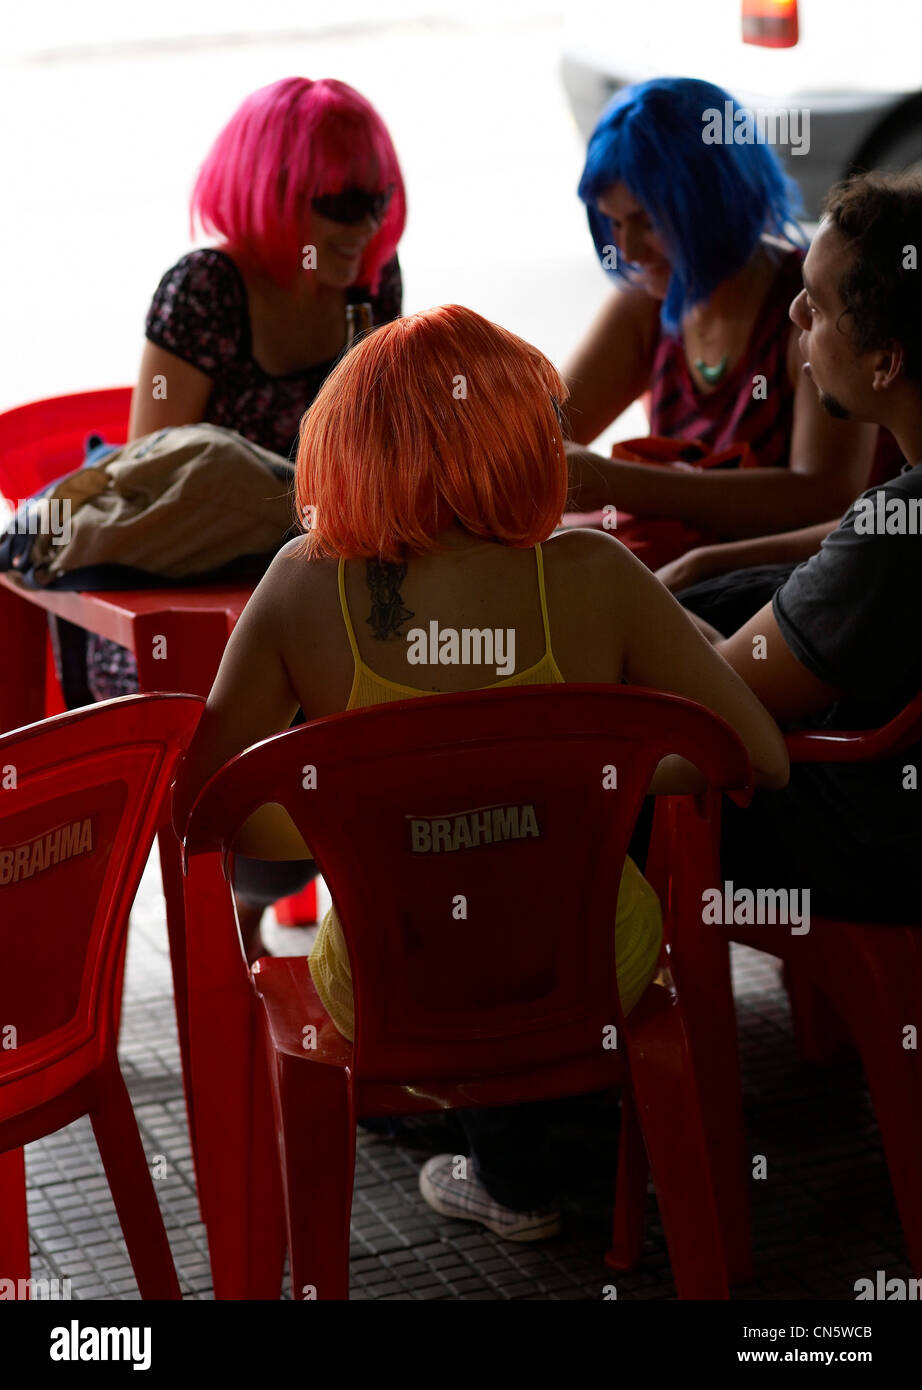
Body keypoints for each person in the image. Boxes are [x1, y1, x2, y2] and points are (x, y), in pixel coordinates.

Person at [172, 303, 789, 1239]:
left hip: (388, 984)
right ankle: (558, 1140)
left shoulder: (301, 583)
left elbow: (205, 811)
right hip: (597, 965)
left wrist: (382, 820)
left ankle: (494, 1153)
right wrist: (581, 784)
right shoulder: (595, 571)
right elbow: (761, 756)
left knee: (387, 993)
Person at [83, 75, 406, 702]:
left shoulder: (370, 281)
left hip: (317, 585)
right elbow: (154, 485)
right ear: (274, 190)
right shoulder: (206, 290)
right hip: (195, 602)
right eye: (341, 204)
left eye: (379, 200)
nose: (365, 227)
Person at [702, 170, 922, 921]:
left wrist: (620, 599)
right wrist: (706, 563)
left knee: (613, 777)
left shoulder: (892, 542)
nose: (794, 312)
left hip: (877, 842)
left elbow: (713, 698)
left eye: (818, 307)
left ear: (885, 360)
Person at [561, 77, 882, 591]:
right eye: (613, 224)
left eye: (645, 222)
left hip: (789, 590)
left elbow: (824, 497)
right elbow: (542, 430)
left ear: (713, 201)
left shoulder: (807, 311)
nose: (628, 250)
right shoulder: (649, 302)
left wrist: (617, 483)